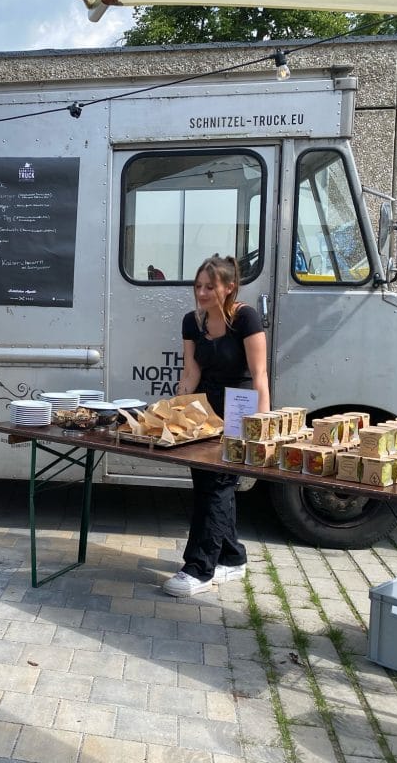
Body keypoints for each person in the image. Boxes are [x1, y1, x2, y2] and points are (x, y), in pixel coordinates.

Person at [161, 254, 270, 597]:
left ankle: (199, 567)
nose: (202, 292)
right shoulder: (192, 322)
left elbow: (260, 376)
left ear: (229, 288)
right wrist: (175, 410)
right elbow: (191, 371)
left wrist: (261, 426)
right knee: (208, 486)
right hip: (203, 416)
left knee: (219, 487)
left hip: (238, 415)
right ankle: (232, 557)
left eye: (210, 286)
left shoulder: (246, 319)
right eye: (198, 286)